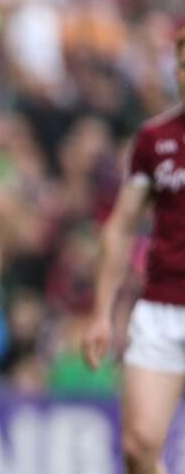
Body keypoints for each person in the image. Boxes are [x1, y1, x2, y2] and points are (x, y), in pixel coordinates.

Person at [83, 26, 185, 474]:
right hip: (161, 304)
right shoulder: (154, 139)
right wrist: (102, 312)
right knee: (139, 446)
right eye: (182, 63)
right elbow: (120, 229)